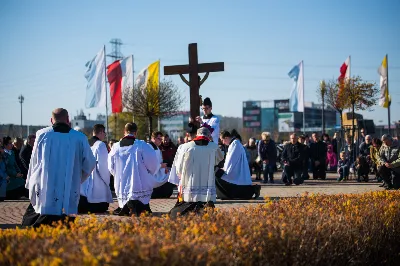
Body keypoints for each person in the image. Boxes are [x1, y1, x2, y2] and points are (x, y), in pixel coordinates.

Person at [22, 108, 96, 227]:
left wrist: (31, 182)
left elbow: (34, 161)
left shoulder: (42, 135)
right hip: (70, 183)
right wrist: (78, 178)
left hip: (47, 183)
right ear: (68, 119)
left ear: (51, 120)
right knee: (66, 217)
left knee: (46, 210)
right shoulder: (79, 137)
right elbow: (90, 163)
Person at [169, 127, 224, 218]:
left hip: (190, 180)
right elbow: (220, 161)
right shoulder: (214, 147)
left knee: (189, 199)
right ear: (209, 136)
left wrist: (180, 174)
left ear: (197, 135)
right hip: (206, 180)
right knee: (205, 199)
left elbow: (178, 166)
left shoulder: (186, 147)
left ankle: (186, 213)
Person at [108, 123, 160, 216]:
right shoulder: (142, 145)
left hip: (122, 185)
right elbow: (153, 164)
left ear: (124, 132)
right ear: (136, 132)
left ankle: (125, 207)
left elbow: (111, 167)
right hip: (139, 184)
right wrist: (151, 172)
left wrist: (118, 175)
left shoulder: (115, 147)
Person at [215, 130, 261, 200]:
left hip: (235, 169)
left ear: (226, 138)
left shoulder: (234, 144)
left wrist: (225, 169)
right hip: (237, 168)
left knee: (219, 176)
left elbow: (231, 160)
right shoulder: (235, 143)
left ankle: (224, 194)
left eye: (222, 140)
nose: (223, 142)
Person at [79, 124, 113, 214]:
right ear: (101, 132)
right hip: (96, 180)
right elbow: (103, 166)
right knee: (98, 204)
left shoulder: (85, 143)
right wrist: (107, 181)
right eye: (104, 133)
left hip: (83, 180)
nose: (105, 135)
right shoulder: (100, 145)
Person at [148, 131, 175, 199]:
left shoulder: (156, 148)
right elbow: (149, 163)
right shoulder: (149, 147)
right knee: (169, 175)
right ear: (153, 138)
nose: (161, 141)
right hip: (151, 174)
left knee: (170, 173)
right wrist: (161, 166)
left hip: (158, 170)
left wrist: (164, 167)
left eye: (161, 139)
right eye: (159, 139)